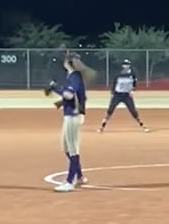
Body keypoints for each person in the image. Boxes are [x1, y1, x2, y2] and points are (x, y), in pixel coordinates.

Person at [49, 54, 91, 192]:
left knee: (73, 149)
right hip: (70, 115)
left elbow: (70, 95)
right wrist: (62, 102)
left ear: (67, 63)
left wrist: (55, 88)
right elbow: (79, 97)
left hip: (73, 116)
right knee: (66, 148)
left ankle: (69, 182)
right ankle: (79, 176)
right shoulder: (73, 77)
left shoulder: (74, 77)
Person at [101, 60, 151, 133]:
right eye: (124, 64)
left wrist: (132, 90)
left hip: (127, 96)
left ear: (129, 66)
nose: (126, 66)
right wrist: (112, 92)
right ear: (122, 66)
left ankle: (142, 125)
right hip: (117, 95)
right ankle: (102, 126)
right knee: (110, 110)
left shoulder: (132, 75)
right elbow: (114, 84)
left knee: (133, 111)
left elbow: (134, 84)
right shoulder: (118, 75)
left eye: (127, 64)